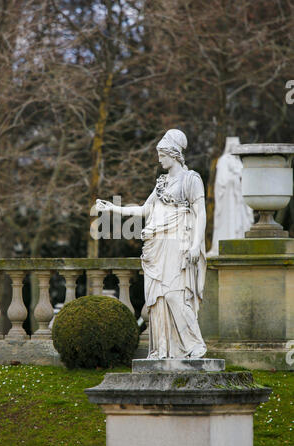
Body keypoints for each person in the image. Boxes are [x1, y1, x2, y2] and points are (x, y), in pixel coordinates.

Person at [96, 129, 207, 359]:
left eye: (162, 154)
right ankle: (164, 349)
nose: (159, 159)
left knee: (176, 294)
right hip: (157, 244)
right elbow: (145, 210)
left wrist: (196, 244)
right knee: (158, 298)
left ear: (173, 154)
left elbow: (201, 213)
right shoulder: (162, 183)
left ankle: (194, 345)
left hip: (179, 243)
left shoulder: (191, 179)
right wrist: (113, 208)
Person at [207, 137, 254, 256]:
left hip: (239, 199)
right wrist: (234, 179)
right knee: (229, 222)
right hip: (229, 198)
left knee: (240, 221)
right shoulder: (223, 160)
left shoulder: (239, 161)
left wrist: (242, 179)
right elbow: (221, 181)